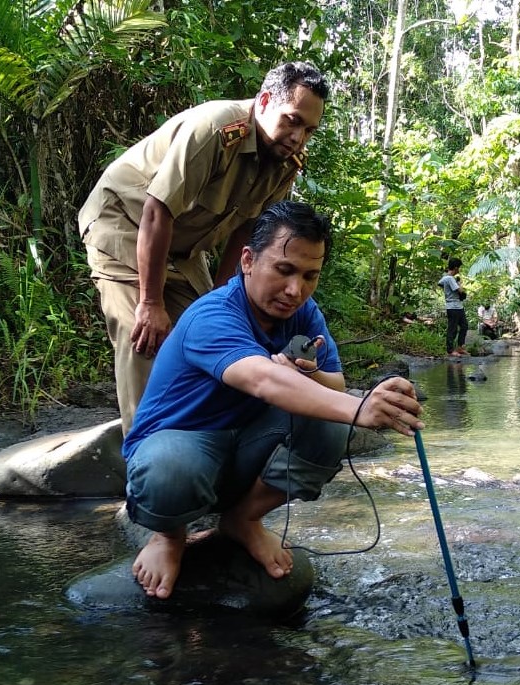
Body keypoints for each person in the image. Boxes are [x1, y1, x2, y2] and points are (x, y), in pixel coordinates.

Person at [122, 201, 424, 600]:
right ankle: (168, 536)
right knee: (170, 468)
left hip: (245, 448)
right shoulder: (212, 314)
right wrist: (361, 407)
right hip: (183, 443)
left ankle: (243, 520)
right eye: (284, 270)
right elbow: (262, 379)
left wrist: (314, 375)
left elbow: (333, 386)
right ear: (247, 260)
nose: (295, 290)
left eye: (309, 275)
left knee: (331, 424)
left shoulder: (304, 313)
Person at [78, 61, 330, 434]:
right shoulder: (215, 129)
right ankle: (144, 453)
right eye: (291, 120)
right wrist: (151, 302)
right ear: (263, 101)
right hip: (126, 222)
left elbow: (248, 232)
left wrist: (223, 303)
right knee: (145, 335)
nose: (298, 137)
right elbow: (156, 211)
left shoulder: (285, 162)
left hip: (183, 246)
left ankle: (203, 439)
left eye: (308, 129)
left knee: (209, 327)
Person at [438, 257, 469, 356]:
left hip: (458, 306)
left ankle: (460, 347)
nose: (459, 270)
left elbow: (440, 283)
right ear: (455, 268)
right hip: (452, 307)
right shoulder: (450, 278)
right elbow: (460, 291)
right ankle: (450, 350)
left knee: (464, 326)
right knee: (452, 329)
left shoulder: (446, 278)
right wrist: (459, 284)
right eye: (459, 268)